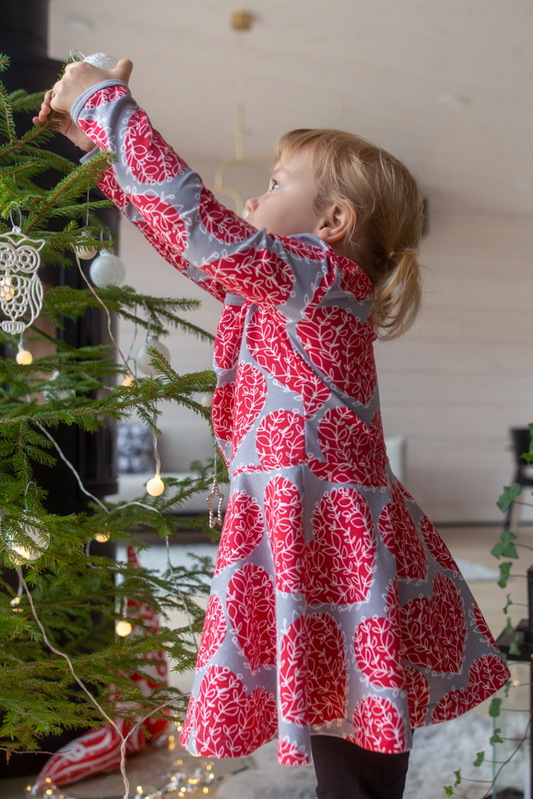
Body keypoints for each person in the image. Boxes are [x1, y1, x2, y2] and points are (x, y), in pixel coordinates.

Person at [36, 60, 510, 799]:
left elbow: (199, 227)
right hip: (304, 514)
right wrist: (97, 143)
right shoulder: (282, 286)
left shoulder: (320, 277)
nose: (254, 194)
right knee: (341, 694)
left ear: (332, 223)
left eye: (278, 182)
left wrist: (106, 100)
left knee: (351, 709)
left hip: (322, 518)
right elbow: (179, 239)